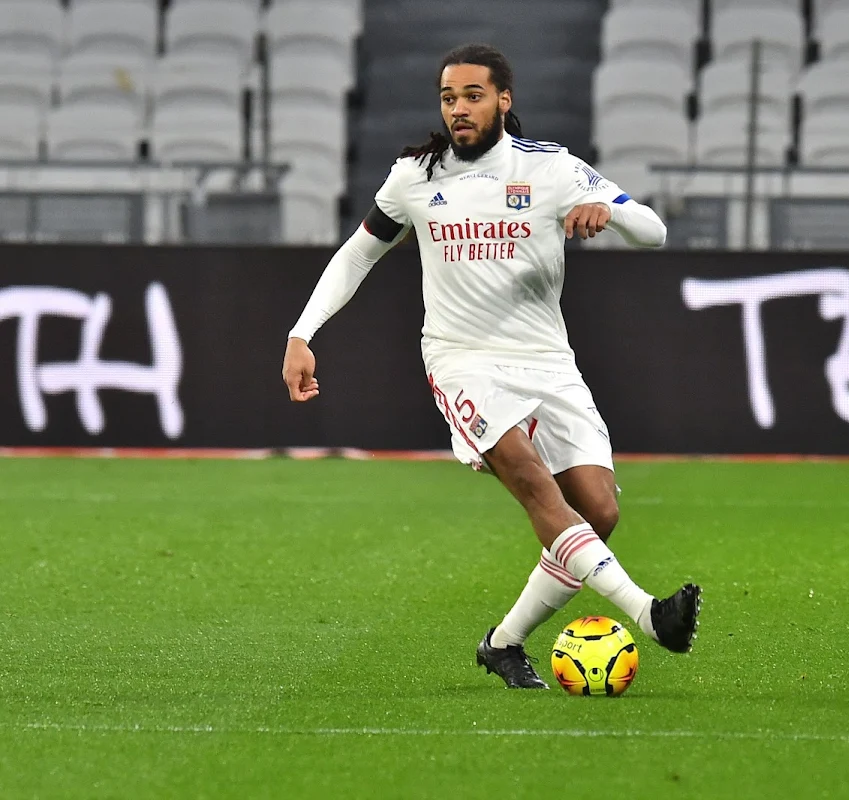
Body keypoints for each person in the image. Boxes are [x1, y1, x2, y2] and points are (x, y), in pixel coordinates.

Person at [281, 44, 701, 689]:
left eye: (473, 95)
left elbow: (654, 231)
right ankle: (649, 615)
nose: (459, 108)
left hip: (546, 358)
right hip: (460, 358)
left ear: (504, 99)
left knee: (599, 512)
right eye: (449, 97)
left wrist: (608, 212)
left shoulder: (552, 167)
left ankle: (503, 644)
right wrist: (302, 333)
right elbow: (357, 255)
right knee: (535, 483)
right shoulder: (414, 174)